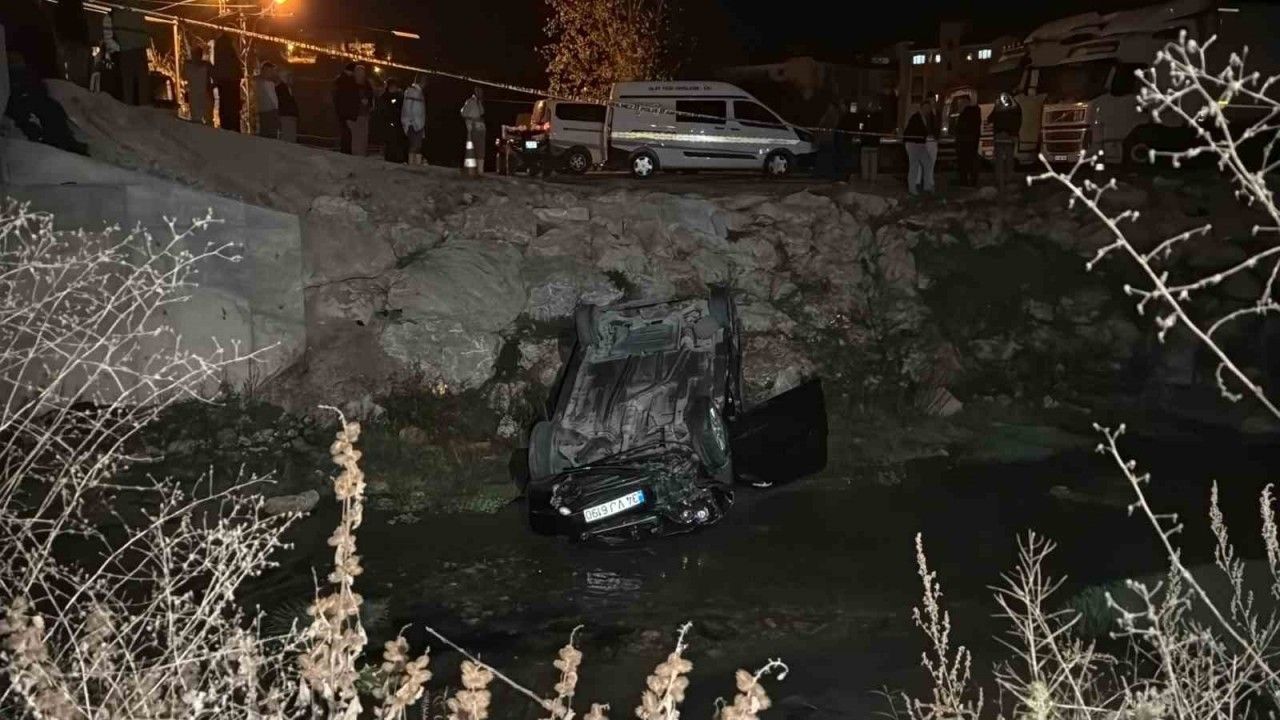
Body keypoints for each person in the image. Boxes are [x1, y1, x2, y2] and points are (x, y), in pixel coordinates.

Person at [109, 6, 148, 106]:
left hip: (126, 49)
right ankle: (141, 106)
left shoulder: (118, 13)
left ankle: (130, 106)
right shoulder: (134, 10)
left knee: (128, 85)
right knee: (141, 85)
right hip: (136, 49)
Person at [903, 97, 939, 195]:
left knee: (928, 163)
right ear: (921, 108)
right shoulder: (916, 117)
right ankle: (912, 188)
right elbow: (913, 131)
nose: (927, 110)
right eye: (925, 108)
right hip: (913, 144)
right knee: (914, 165)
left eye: (929, 108)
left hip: (920, 144)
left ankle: (927, 186)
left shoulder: (925, 118)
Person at [990, 91, 1022, 192]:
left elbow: (990, 119)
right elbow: (1019, 120)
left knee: (1000, 161)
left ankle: (1000, 181)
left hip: (1000, 137)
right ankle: (1008, 180)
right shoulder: (1014, 109)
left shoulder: (998, 109)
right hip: (1009, 137)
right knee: (1009, 159)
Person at [54, 0, 91, 88]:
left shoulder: (61, 7)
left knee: (68, 70)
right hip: (77, 40)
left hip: (68, 39)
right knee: (78, 73)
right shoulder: (77, 8)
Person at [212, 32, 241, 132]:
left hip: (224, 79)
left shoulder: (219, 44)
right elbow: (238, 58)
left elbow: (217, 62)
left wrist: (216, 78)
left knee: (225, 104)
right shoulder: (230, 43)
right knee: (233, 105)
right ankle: (234, 127)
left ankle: (226, 126)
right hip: (232, 78)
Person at [376, 77, 407, 162]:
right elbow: (386, 110)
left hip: (395, 123)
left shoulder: (397, 96)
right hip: (390, 123)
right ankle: (392, 159)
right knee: (391, 143)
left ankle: (396, 159)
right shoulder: (386, 97)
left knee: (396, 143)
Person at [953, 95, 982, 187]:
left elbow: (961, 128)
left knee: (964, 163)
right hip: (972, 141)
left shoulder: (965, 114)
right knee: (971, 162)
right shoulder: (976, 113)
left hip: (964, 142)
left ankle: (964, 181)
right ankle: (972, 181)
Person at [182, 45, 213, 125]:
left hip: (197, 95)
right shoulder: (206, 66)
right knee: (206, 119)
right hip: (202, 95)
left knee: (198, 118)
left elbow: (184, 76)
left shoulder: (189, 66)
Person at [854, 100, 884, 182]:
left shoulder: (865, 118)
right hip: (874, 144)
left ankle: (865, 178)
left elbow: (861, 130)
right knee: (874, 163)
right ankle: (873, 178)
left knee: (864, 162)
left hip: (865, 143)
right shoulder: (879, 118)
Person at [332, 62, 359, 153]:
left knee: (345, 132)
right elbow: (349, 98)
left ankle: (345, 150)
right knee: (347, 133)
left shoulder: (340, 80)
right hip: (346, 113)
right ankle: (346, 151)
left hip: (342, 112)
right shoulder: (348, 81)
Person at [402, 73, 426, 166]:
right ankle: (412, 165)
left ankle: (415, 165)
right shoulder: (412, 91)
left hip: (418, 123)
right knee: (414, 146)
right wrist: (412, 122)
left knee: (417, 146)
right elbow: (408, 108)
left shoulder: (418, 92)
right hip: (413, 124)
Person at [460, 85, 485, 172]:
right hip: (473, 126)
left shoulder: (479, 102)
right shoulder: (470, 101)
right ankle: (471, 169)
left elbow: (482, 113)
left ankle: (480, 170)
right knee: (472, 148)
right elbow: (463, 113)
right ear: (476, 92)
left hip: (480, 126)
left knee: (480, 149)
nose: (481, 93)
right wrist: (469, 121)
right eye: (479, 92)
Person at [351, 64, 373, 156]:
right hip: (354, 114)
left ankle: (362, 154)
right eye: (359, 72)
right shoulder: (351, 84)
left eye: (362, 73)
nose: (361, 75)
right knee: (355, 136)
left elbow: (371, 96)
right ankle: (355, 154)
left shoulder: (367, 84)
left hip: (365, 114)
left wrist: (369, 103)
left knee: (363, 136)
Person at [254, 61, 278, 138]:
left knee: (264, 132)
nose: (272, 73)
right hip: (270, 111)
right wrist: (277, 109)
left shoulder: (256, 81)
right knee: (271, 133)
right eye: (270, 71)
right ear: (266, 71)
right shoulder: (268, 83)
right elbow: (274, 99)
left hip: (261, 110)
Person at [276, 68, 298, 142]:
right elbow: (284, 103)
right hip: (286, 116)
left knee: (290, 136)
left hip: (289, 116)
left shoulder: (287, 88)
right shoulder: (281, 88)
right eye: (290, 77)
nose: (293, 79)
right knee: (288, 137)